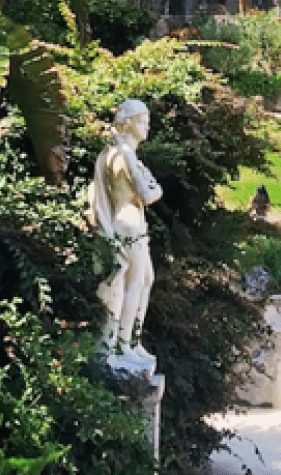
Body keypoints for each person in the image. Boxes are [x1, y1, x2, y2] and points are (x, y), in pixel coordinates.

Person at [90, 99, 163, 372]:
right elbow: (146, 194)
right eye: (143, 121)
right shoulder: (125, 155)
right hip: (130, 223)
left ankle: (132, 341)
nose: (147, 127)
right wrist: (158, 189)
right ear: (130, 123)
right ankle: (122, 344)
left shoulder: (115, 153)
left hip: (129, 222)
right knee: (133, 284)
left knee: (145, 280)